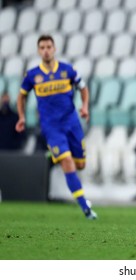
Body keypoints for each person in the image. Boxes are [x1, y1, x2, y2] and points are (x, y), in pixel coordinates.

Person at [15, 34, 97, 220]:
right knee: (67, 161)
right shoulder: (33, 75)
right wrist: (21, 117)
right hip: (51, 128)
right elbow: (21, 96)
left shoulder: (68, 70)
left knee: (80, 165)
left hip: (72, 124)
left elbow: (83, 88)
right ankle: (85, 207)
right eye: (42, 47)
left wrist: (84, 106)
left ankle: (61, 161)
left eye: (48, 47)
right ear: (38, 51)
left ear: (54, 49)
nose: (45, 50)